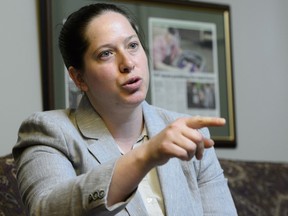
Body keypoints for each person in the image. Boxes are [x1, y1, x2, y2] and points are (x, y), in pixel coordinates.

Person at [13, 3, 237, 216]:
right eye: (106, 53)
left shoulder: (189, 132)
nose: (128, 63)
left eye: (132, 45)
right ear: (79, 78)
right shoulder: (49, 132)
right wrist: (146, 155)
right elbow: (46, 209)